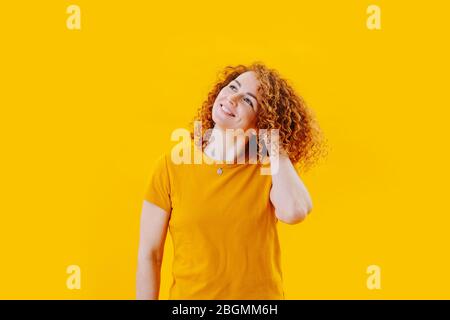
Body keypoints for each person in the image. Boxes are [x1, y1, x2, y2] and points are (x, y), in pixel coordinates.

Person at [136, 63, 326, 299]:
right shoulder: (171, 165)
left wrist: (271, 144)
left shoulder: (268, 167)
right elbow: (150, 254)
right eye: (232, 87)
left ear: (262, 121)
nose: (232, 98)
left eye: (248, 101)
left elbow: (295, 211)